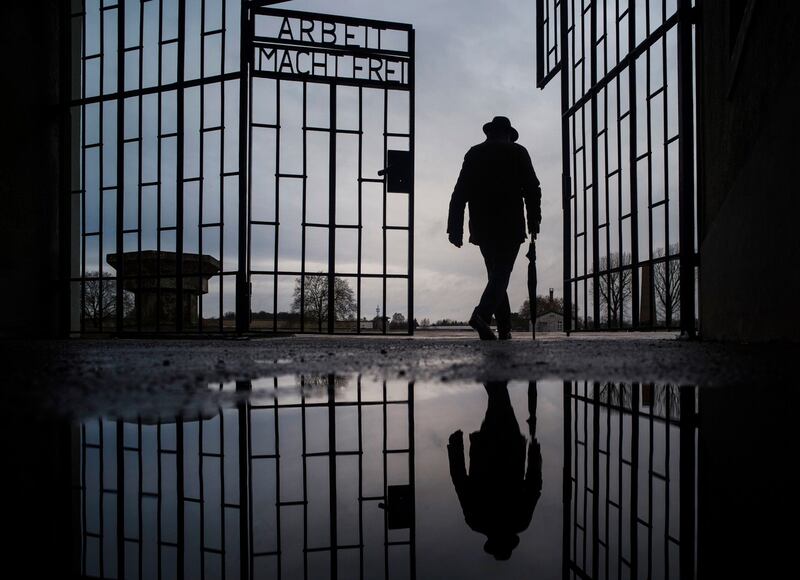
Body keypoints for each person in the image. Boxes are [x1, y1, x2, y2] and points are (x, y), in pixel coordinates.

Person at [447, 116, 542, 340]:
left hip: (482, 225)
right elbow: (532, 189)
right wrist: (534, 220)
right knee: (501, 274)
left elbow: (460, 192)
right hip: (510, 224)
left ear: (489, 133)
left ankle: (505, 329)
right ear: (508, 134)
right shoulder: (518, 152)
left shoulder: (474, 153)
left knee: (496, 275)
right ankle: (481, 314)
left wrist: (455, 227)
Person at [447, 381, 542, 560]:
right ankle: (494, 371)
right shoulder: (476, 521)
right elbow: (460, 480)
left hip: (510, 451)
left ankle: (495, 370)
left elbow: (533, 485)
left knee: (500, 402)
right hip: (486, 451)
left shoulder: (520, 521)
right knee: (499, 402)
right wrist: (455, 447)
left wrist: (535, 455)